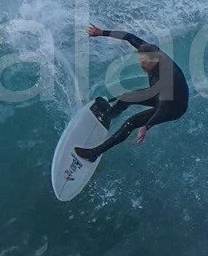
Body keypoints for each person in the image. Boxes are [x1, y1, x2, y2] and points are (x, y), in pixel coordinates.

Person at [75, 26, 188, 161]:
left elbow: (163, 108)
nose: (142, 65)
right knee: (126, 97)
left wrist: (147, 126)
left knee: (131, 122)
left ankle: (94, 153)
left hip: (173, 107)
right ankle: (108, 116)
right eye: (141, 60)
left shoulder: (167, 77)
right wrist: (101, 33)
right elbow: (129, 36)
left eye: (145, 63)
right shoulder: (149, 50)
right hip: (159, 94)